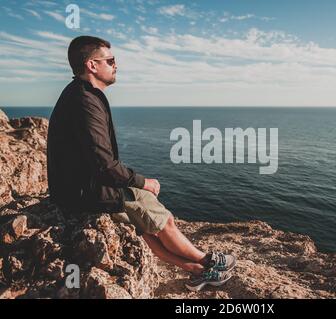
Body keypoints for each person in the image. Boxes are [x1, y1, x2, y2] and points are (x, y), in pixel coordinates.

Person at [47, 36, 236, 291]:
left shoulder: (80, 95)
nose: (116, 65)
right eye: (111, 60)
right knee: (162, 219)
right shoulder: (85, 102)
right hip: (84, 191)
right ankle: (209, 262)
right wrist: (143, 182)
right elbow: (104, 164)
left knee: (146, 227)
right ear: (92, 65)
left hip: (74, 189)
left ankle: (198, 271)